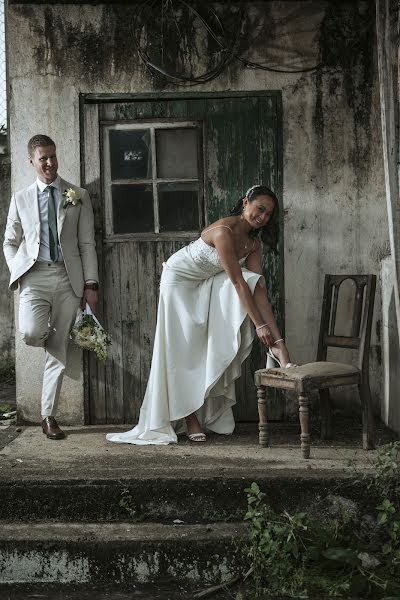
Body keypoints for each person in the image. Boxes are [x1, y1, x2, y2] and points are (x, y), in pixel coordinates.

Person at [106, 184, 294, 446]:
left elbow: (254, 287)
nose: (262, 218)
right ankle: (190, 417)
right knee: (181, 350)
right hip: (179, 281)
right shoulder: (223, 232)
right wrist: (258, 325)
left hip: (207, 281)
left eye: (268, 215)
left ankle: (278, 349)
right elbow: (238, 282)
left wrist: (275, 336)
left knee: (257, 282)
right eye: (259, 209)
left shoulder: (253, 244)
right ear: (245, 203)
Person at [3, 134, 98, 440]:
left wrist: (90, 284)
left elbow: (86, 243)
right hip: (34, 277)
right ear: (31, 162)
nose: (49, 163)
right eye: (42, 158)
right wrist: (19, 269)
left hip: (68, 277)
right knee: (32, 332)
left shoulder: (77, 194)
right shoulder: (20, 198)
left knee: (58, 349)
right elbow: (10, 242)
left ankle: (48, 416)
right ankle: (52, 343)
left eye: (53, 156)